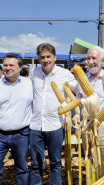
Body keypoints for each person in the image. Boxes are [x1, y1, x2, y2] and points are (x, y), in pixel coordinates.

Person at [29, 43, 77, 185]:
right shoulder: (34, 73)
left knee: (55, 162)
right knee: (36, 163)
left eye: (48, 56)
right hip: (35, 125)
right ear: (38, 59)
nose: (45, 60)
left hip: (55, 125)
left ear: (55, 57)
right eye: (42, 57)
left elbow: (79, 89)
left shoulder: (65, 74)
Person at [76, 46, 104, 177]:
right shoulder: (81, 79)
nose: (90, 61)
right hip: (87, 125)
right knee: (90, 162)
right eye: (88, 58)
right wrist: (79, 125)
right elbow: (79, 104)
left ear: (102, 61)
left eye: (94, 58)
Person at [0, 53, 33, 185]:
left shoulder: (30, 84)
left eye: (11, 65)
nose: (7, 68)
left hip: (21, 135)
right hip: (0, 134)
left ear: (20, 68)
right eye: (5, 65)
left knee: (22, 169)